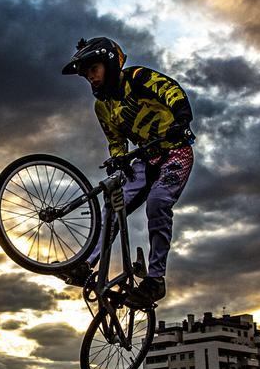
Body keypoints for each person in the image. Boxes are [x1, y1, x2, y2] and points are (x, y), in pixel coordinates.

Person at [60, 37, 195, 307]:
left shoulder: (137, 78)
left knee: (158, 203)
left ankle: (156, 279)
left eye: (93, 70)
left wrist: (181, 117)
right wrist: (119, 159)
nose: (91, 78)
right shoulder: (103, 106)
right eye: (86, 75)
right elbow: (116, 140)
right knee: (113, 205)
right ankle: (86, 264)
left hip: (175, 152)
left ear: (109, 63)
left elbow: (171, 91)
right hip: (145, 159)